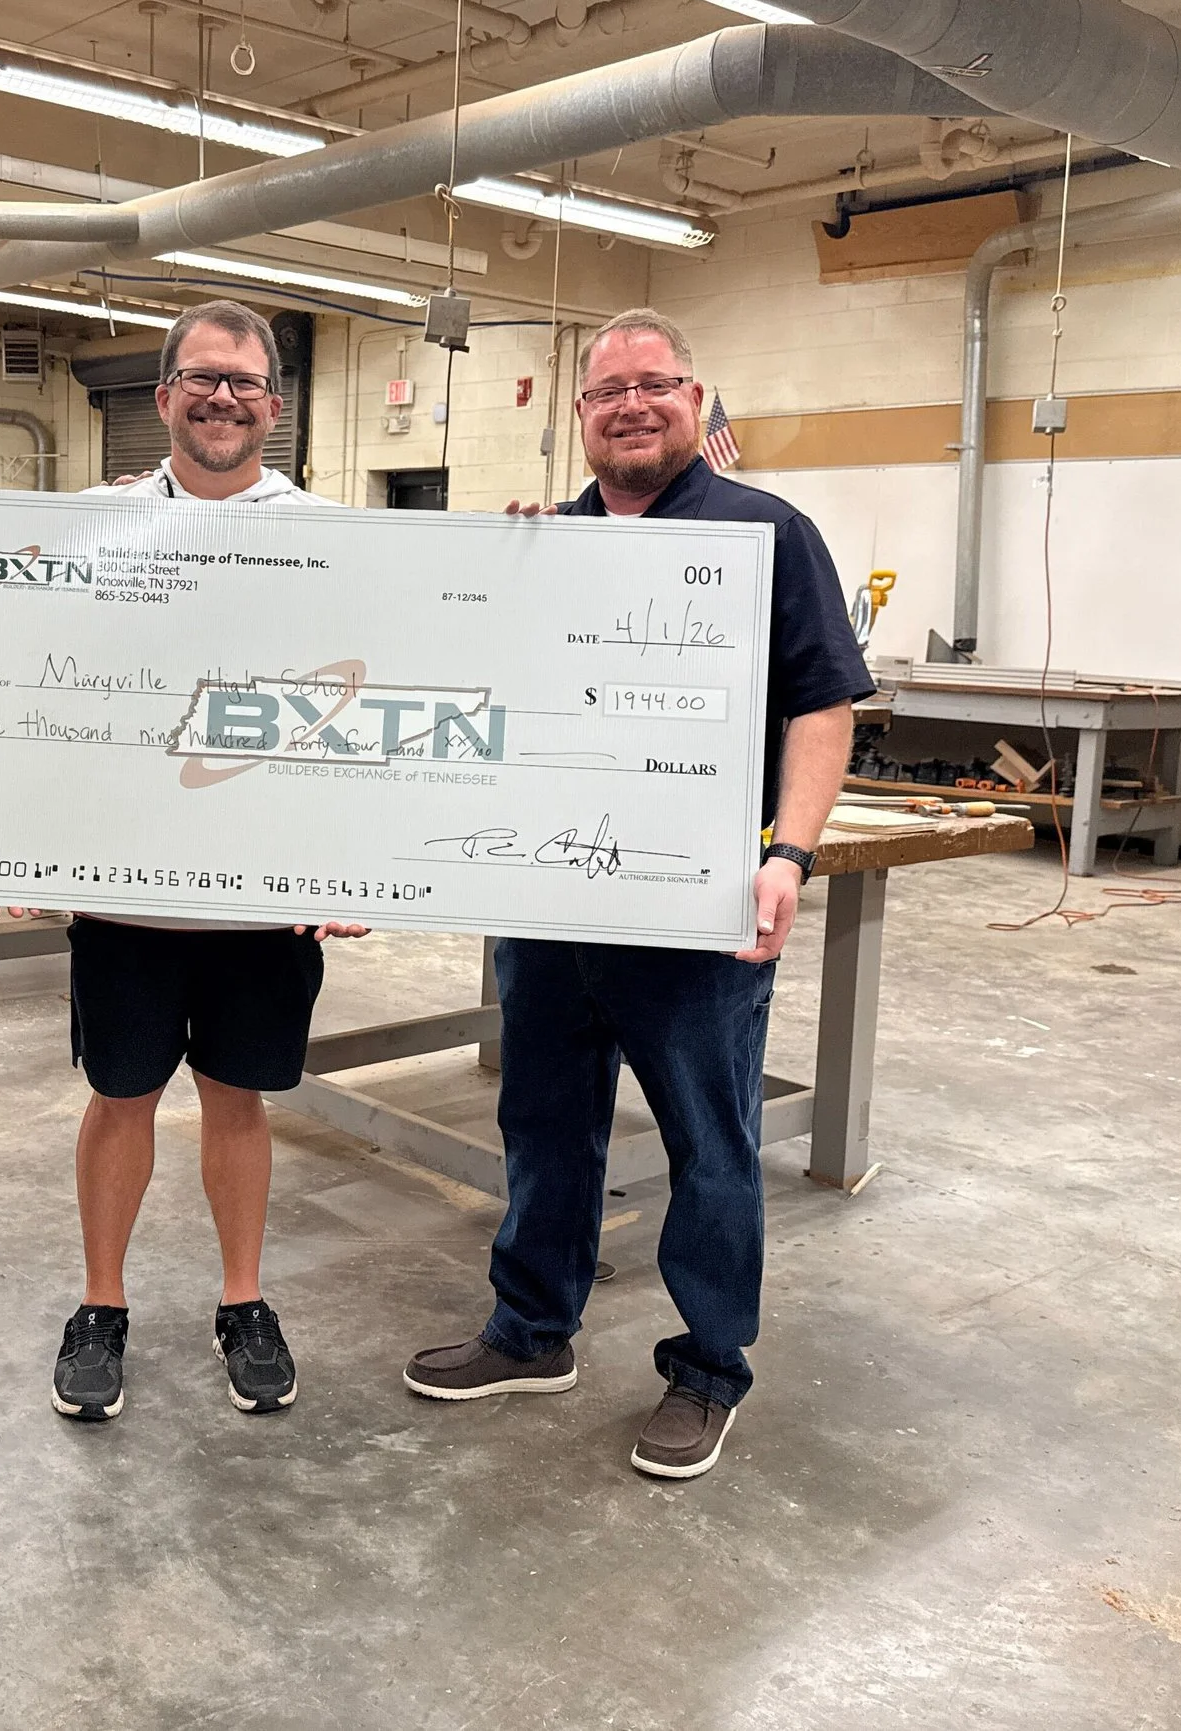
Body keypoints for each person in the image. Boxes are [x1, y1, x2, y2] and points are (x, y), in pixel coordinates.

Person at [402, 307, 871, 1481]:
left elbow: (823, 706)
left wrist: (790, 855)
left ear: (694, 400)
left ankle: (709, 1369)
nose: (631, 406)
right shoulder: (544, 541)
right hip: (550, 904)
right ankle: (530, 1329)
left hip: (693, 908)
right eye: (607, 390)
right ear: (578, 416)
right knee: (543, 1125)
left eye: (653, 385)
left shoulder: (764, 534)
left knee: (709, 1144)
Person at [51, 299, 368, 1424]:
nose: (222, 397)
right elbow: (37, 679)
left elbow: (368, 697)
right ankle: (101, 1306)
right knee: (119, 1093)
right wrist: (11, 832)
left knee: (238, 1098)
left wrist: (357, 860)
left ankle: (243, 1302)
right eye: (202, 378)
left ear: (273, 407)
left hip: (262, 899)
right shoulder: (93, 529)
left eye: (243, 382)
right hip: (126, 889)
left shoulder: (331, 537)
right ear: (164, 396)